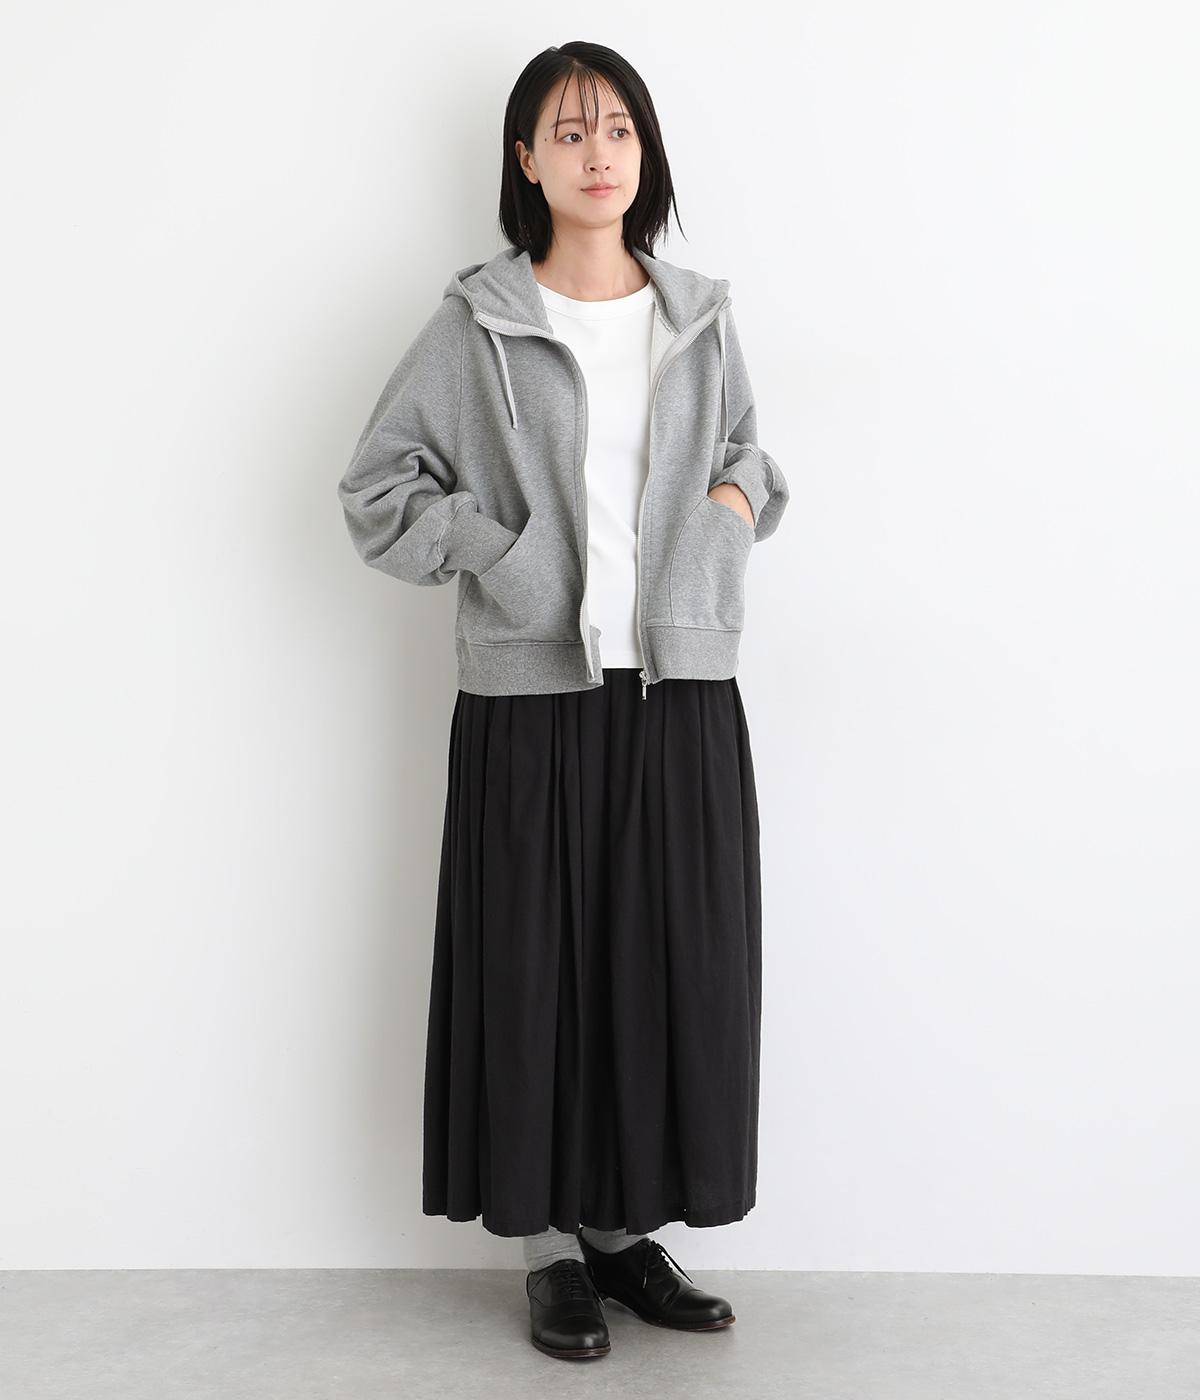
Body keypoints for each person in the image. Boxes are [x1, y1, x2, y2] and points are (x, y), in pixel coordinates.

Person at [337, 41, 790, 1361]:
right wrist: (501, 552)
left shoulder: (698, 314)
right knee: (536, 972)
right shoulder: (478, 323)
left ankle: (625, 1233)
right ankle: (550, 1253)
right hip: (530, 696)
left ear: (646, 153)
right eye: (570, 130)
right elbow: (377, 488)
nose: (599, 153)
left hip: (681, 688)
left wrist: (732, 502)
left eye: (619, 129)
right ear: (526, 160)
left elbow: (754, 457)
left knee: (666, 971)